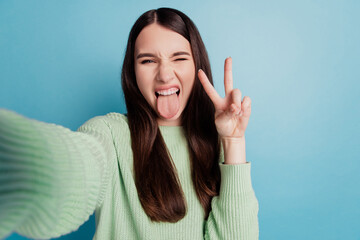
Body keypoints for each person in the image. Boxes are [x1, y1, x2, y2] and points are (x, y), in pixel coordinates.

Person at [0, 7, 259, 240]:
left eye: (179, 58)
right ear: (132, 73)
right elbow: (72, 171)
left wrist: (233, 142)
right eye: (148, 60)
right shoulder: (111, 135)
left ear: (197, 65)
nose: (165, 74)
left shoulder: (219, 147)